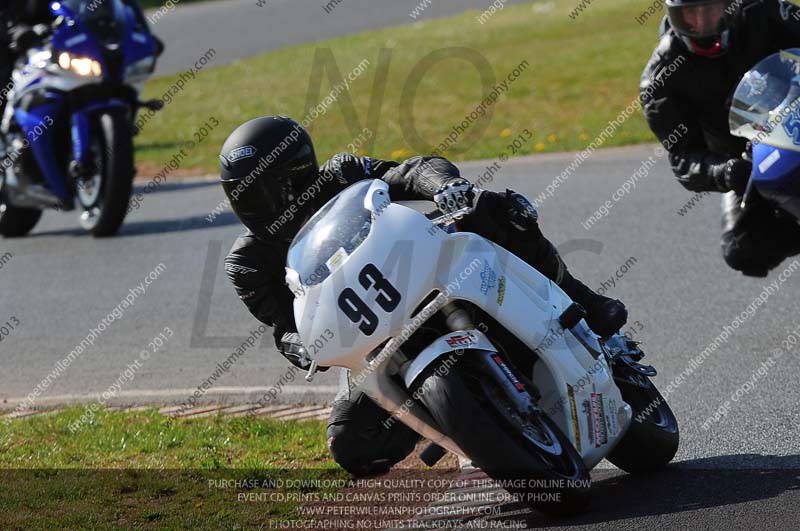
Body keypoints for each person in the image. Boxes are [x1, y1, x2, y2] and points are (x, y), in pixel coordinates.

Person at [220, 116, 629, 476]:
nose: (257, 204)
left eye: (262, 190)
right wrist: (302, 346)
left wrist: (445, 185)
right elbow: (283, 327)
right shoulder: (248, 262)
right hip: (368, 332)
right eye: (243, 195)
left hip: (425, 271)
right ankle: (457, 424)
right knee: (351, 442)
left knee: (494, 210)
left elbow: (409, 172)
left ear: (296, 172)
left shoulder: (343, 173)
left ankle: (584, 303)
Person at [641, 0, 800, 277]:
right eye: (690, 14)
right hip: (750, 163)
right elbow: (682, 157)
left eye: (710, 9)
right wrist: (725, 172)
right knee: (743, 250)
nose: (701, 24)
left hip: (796, 117)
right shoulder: (661, 78)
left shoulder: (768, 11)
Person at [0, 0, 162, 113]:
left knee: (119, 81)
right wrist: (14, 29)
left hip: (78, 43)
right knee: (6, 77)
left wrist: (144, 34)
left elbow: (123, 7)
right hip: (27, 41)